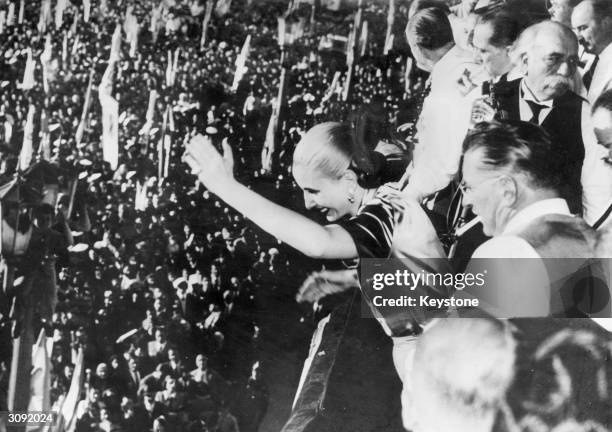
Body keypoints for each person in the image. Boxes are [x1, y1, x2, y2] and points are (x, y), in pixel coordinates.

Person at [183, 121, 415, 430]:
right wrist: (354, 279)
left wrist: (225, 186)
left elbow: (319, 243)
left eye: (314, 190)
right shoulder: (380, 177)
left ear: (348, 179)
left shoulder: (385, 210)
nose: (308, 203)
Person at [461, 120, 608, 318]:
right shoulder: (597, 243)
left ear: (507, 190)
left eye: (469, 187)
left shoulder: (502, 253)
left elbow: (450, 345)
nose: (465, 201)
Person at [490, 21, 587, 214]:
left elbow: (594, 189)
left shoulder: (584, 113)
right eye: (553, 59)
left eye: (572, 61)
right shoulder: (489, 97)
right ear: (525, 61)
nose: (566, 71)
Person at [403, 7, 477, 201]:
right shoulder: (464, 62)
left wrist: (411, 193)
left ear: (418, 47)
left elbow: (444, 161)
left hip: (451, 191)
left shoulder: (449, 84)